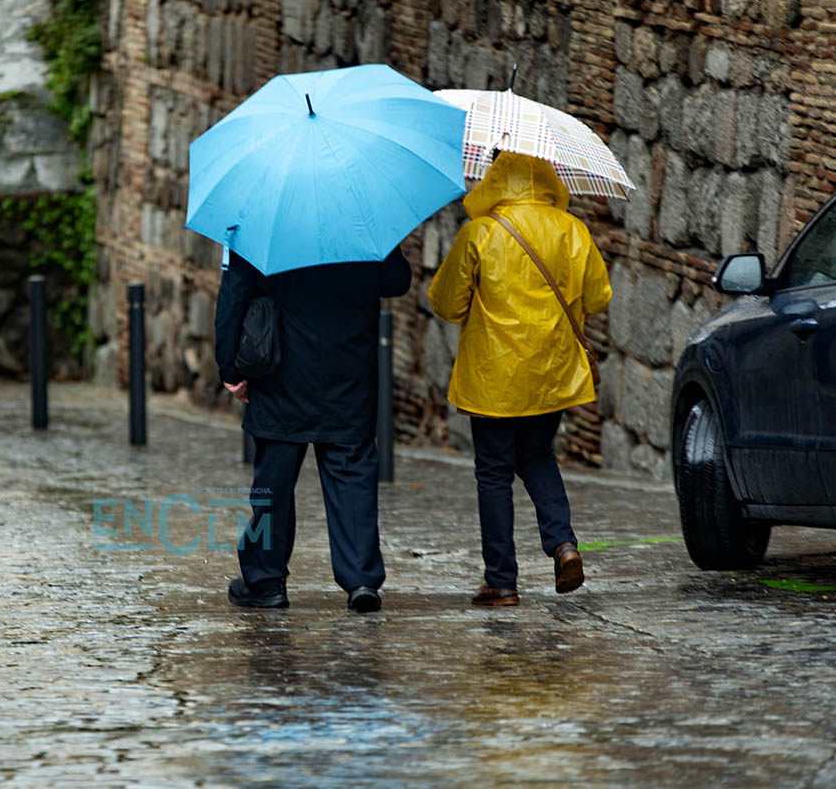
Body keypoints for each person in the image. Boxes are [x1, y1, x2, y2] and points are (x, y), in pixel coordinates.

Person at [428, 151, 612, 606]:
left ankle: (501, 581)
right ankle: (563, 544)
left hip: (493, 377)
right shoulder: (573, 230)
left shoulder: (480, 233)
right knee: (536, 455)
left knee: (493, 472)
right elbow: (598, 296)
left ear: (495, 181)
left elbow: (447, 304)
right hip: (549, 372)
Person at [215, 246, 412, 612]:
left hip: (281, 373)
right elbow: (396, 280)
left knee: (273, 482)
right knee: (351, 470)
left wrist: (230, 367)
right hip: (348, 369)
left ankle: (266, 581)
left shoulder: (264, 220)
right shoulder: (361, 218)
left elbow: (235, 292)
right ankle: (361, 578)